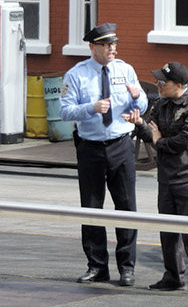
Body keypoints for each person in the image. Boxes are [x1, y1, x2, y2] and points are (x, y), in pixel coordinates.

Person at [122, 61, 188, 299]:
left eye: (162, 82)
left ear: (179, 85)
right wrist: (140, 125)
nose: (158, 85)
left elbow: (183, 142)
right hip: (166, 177)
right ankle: (173, 277)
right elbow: (151, 132)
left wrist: (158, 141)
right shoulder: (161, 103)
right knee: (168, 232)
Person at [59, 23, 148, 286]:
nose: (112, 49)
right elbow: (65, 111)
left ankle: (127, 268)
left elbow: (141, 103)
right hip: (91, 148)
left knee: (127, 207)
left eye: (114, 44)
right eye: (106, 45)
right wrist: (91, 107)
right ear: (93, 47)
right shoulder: (76, 75)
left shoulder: (125, 69)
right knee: (91, 208)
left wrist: (137, 101)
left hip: (121, 145)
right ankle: (97, 266)